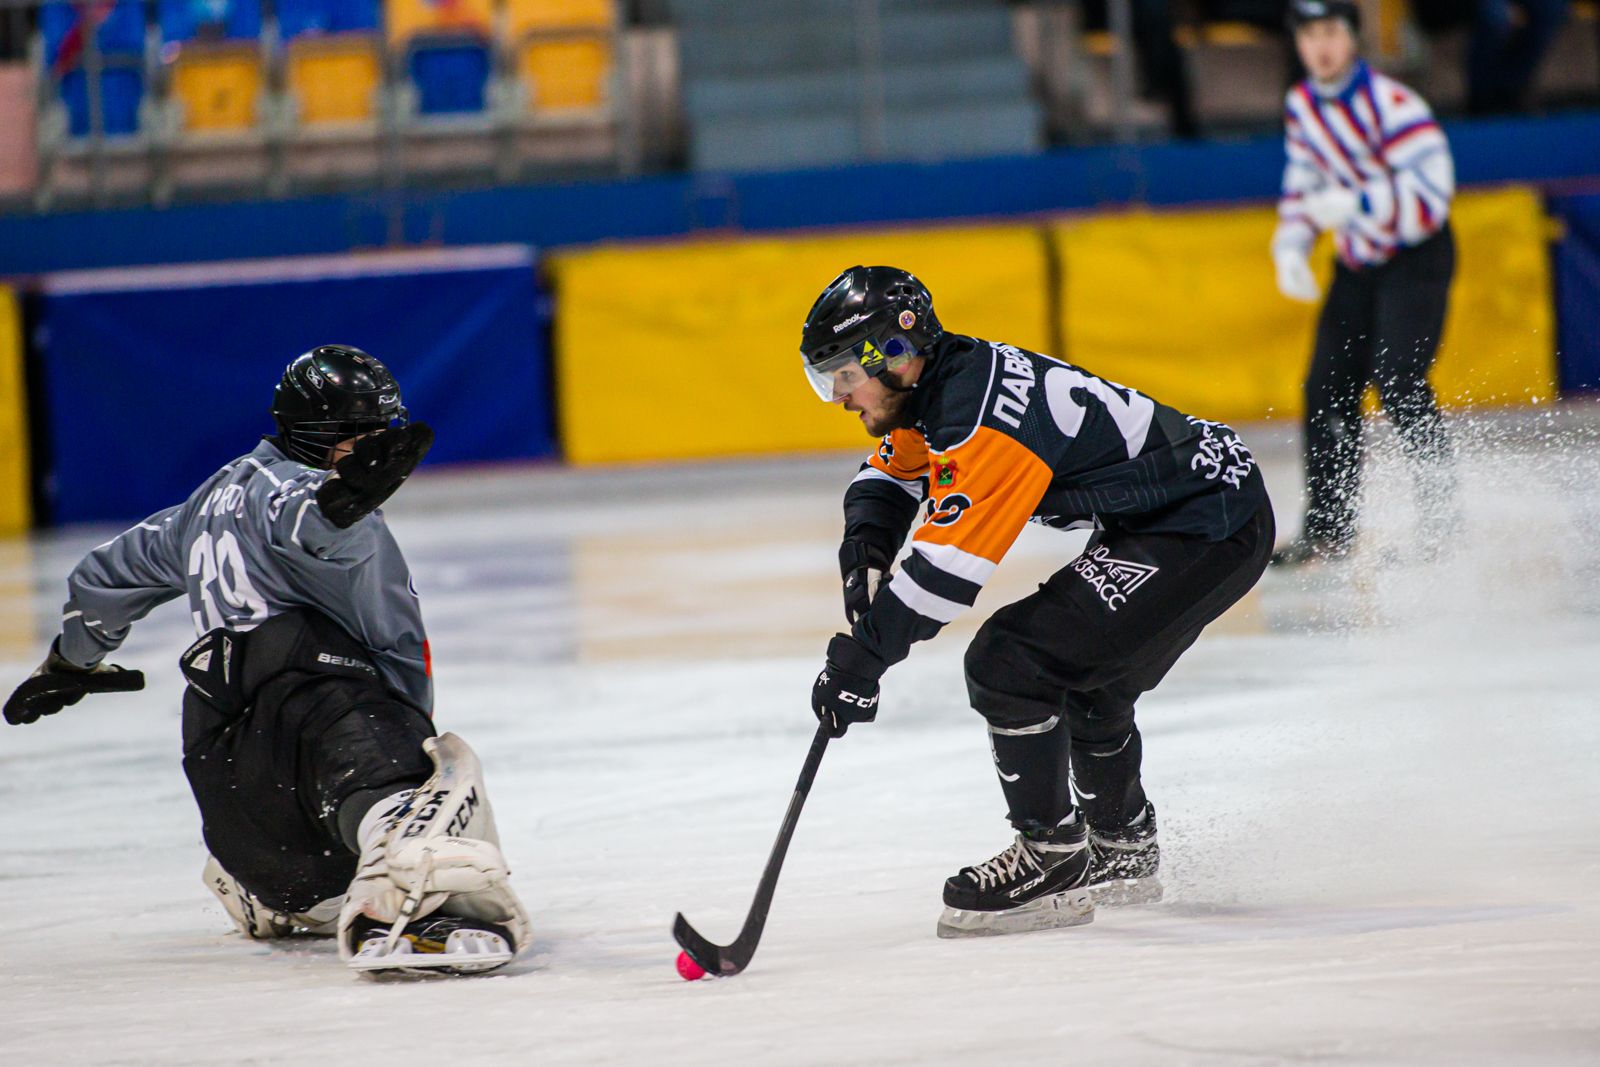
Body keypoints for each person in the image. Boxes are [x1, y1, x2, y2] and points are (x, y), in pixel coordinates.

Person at [3, 345, 531, 975]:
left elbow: (104, 576)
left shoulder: (202, 509)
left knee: (302, 733)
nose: (369, 447)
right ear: (312, 432)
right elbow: (305, 522)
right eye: (352, 433)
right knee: (446, 775)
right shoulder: (299, 496)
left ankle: (275, 895)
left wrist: (71, 662)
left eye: (377, 432)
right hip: (328, 742)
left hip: (239, 803)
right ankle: (415, 900)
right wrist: (339, 505)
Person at [799, 266, 1273, 937]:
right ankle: (1121, 846)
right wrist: (865, 555)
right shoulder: (941, 380)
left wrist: (861, 660)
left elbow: (940, 581)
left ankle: (1052, 854)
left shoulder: (977, 423)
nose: (841, 398)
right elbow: (890, 474)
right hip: (1198, 509)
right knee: (1086, 679)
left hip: (1208, 522)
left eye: (846, 376)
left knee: (1011, 661)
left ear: (894, 353)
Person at [1270, 0, 1459, 565]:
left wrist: (1359, 204)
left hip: (1415, 256)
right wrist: (1292, 244)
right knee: (1324, 387)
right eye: (1309, 35)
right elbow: (1303, 183)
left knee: (1399, 380)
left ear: (1352, 39)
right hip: (1356, 262)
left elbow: (1433, 196)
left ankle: (1442, 524)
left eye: (1330, 32)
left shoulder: (1395, 105)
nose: (1320, 46)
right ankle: (1330, 528)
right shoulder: (1303, 104)